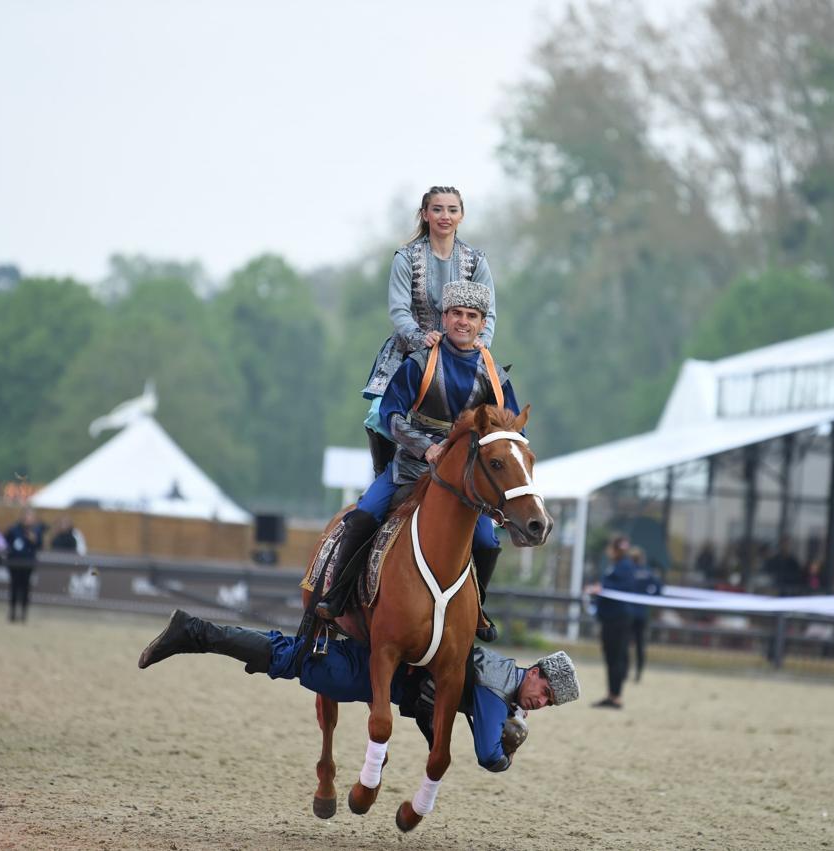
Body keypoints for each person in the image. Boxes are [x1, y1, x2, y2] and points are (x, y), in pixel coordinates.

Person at [316, 280, 517, 642]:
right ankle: (338, 595)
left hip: (463, 483)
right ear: (444, 316)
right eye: (456, 313)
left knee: (487, 542)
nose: (463, 322)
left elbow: (510, 428)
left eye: (471, 316)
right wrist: (426, 447)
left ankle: (477, 609)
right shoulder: (419, 363)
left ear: (482, 323)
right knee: (363, 516)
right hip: (410, 466)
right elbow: (391, 414)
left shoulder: (494, 374)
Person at [137, 609, 579, 772]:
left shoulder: (498, 678)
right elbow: (487, 754)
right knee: (291, 659)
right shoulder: (496, 686)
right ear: (536, 671)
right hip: (371, 677)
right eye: (546, 695)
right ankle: (194, 631)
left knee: (290, 655)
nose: (540, 705)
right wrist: (507, 755)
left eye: (548, 705)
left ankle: (196, 633)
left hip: (382, 672)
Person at [360, 186, 498, 477]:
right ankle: (383, 479)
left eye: (452, 209)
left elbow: (490, 313)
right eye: (437, 209)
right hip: (409, 350)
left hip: (460, 353)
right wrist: (420, 337)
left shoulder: (476, 260)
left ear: (461, 215)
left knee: (493, 420)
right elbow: (399, 310)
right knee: (377, 416)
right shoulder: (406, 257)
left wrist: (480, 343)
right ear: (425, 214)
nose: (444, 216)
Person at [590, 535, 639, 709]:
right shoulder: (617, 566)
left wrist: (602, 589)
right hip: (610, 617)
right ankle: (612, 694)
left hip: (618, 618)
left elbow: (625, 588)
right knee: (612, 658)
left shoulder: (625, 566)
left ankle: (616, 695)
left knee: (617, 658)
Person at [628, 546, 660, 683]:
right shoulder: (648, 573)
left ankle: (624, 671)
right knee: (640, 645)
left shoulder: (628, 572)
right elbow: (658, 588)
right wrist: (649, 596)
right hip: (642, 613)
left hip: (628, 613)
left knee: (625, 644)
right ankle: (638, 673)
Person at [5, 509, 43, 622]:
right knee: (14, 588)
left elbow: (40, 546)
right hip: (15, 563)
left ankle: (23, 613)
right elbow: (5, 543)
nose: (29, 520)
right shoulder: (14, 530)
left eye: (31, 517)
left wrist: (34, 540)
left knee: (25, 589)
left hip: (28, 564)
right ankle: (12, 612)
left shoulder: (36, 531)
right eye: (27, 517)